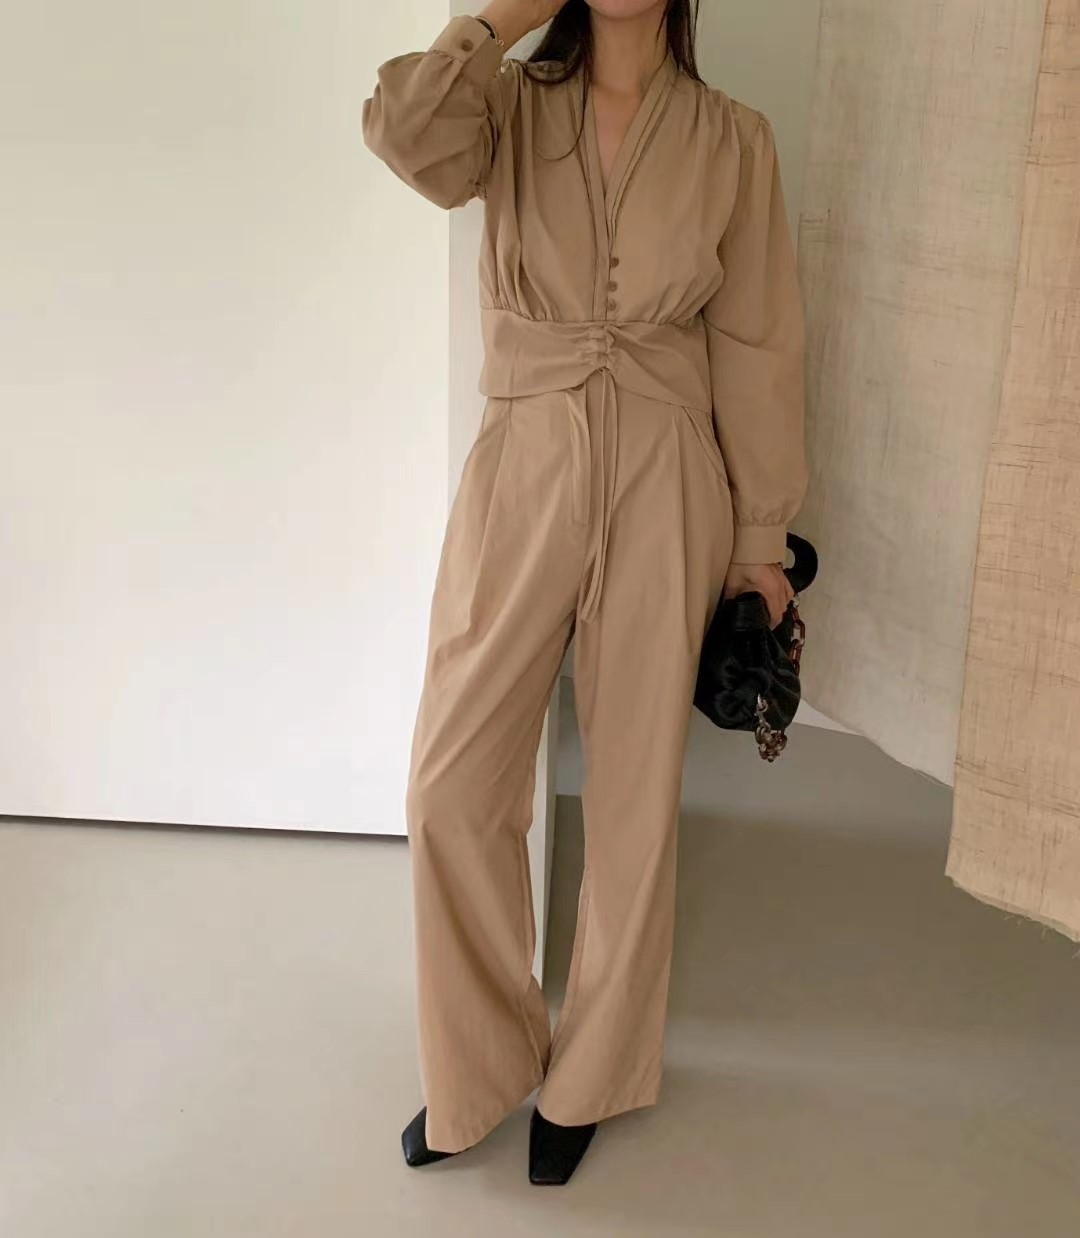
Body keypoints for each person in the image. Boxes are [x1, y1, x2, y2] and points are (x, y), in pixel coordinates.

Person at [361, 0, 807, 1185]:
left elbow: (759, 343)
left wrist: (760, 537)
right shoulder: (505, 104)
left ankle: (595, 1072)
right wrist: (499, 18)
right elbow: (404, 137)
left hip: (669, 467)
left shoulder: (733, 139)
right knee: (451, 781)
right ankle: (476, 1063)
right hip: (525, 458)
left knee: (631, 798)